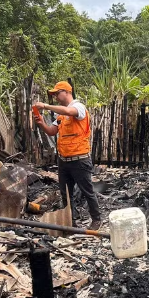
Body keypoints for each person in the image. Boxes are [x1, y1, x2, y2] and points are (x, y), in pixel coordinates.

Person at [34, 81, 102, 230]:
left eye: (57, 93)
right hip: (64, 160)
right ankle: (71, 221)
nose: (56, 97)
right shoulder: (60, 115)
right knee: (66, 194)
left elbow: (70, 112)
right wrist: (41, 123)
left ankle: (96, 219)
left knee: (87, 191)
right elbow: (52, 131)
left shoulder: (79, 107)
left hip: (80, 159)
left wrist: (45, 106)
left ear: (67, 92)